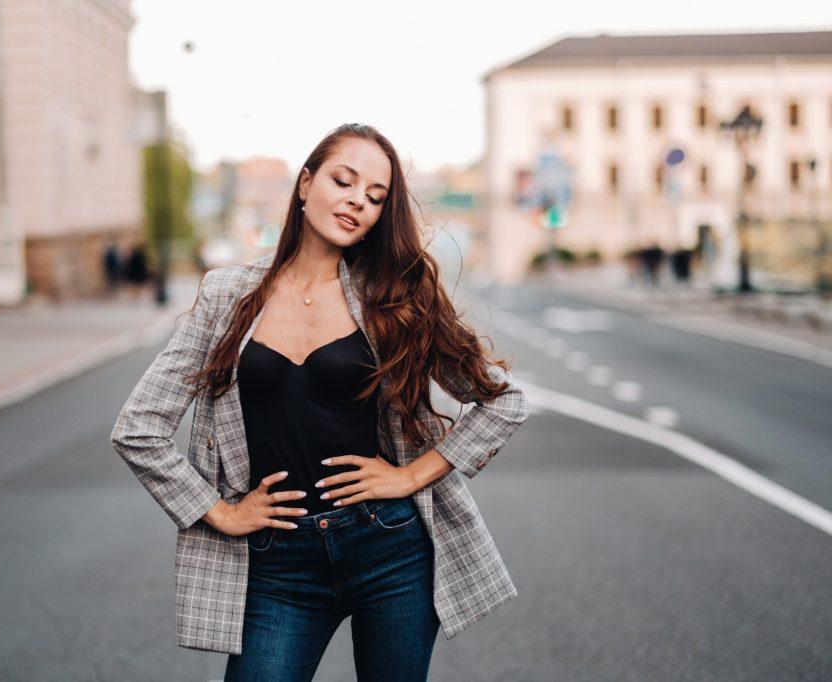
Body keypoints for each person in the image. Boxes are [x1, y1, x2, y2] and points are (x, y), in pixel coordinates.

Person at [110, 123, 532, 680]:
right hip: (277, 562)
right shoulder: (227, 296)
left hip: (391, 549)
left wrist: (410, 478)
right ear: (305, 184)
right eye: (344, 180)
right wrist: (219, 512)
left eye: (376, 196)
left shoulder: (395, 296)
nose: (358, 199)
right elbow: (138, 426)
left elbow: (502, 402)